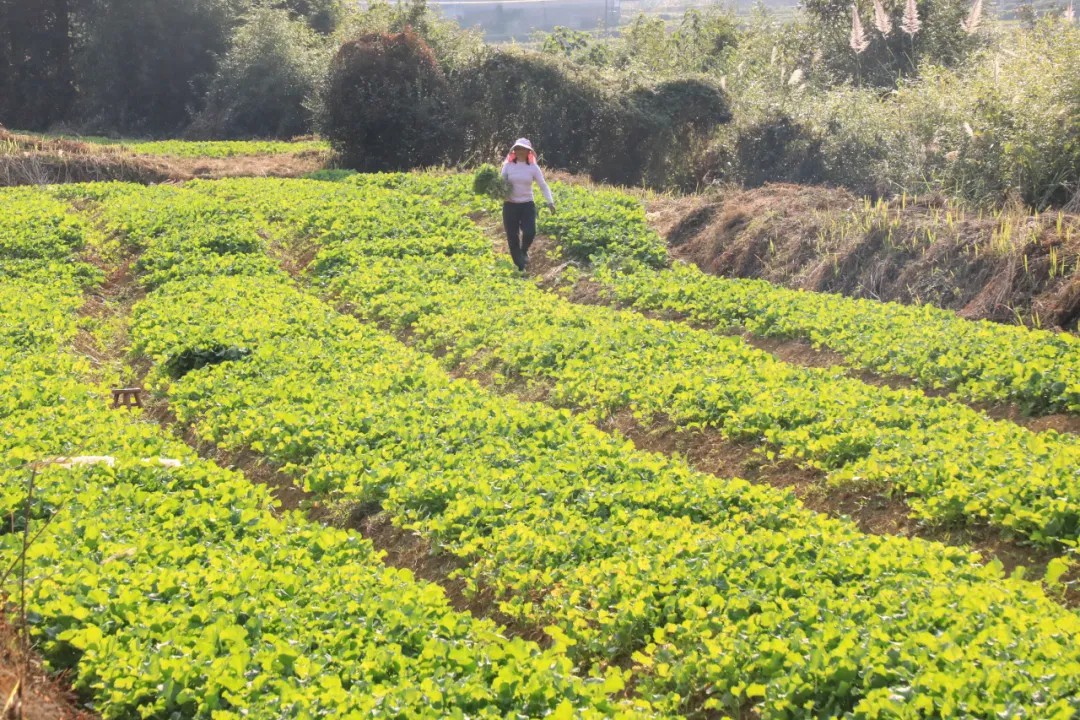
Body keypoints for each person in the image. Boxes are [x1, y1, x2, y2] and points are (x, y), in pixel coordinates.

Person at [501, 138, 555, 272]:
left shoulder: (533, 168)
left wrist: (550, 202)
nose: (520, 151)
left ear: (528, 151)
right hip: (510, 205)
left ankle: (524, 250)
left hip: (527, 204)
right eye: (518, 149)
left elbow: (543, 185)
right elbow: (501, 183)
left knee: (530, 232)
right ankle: (520, 266)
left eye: (523, 149)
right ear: (514, 151)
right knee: (512, 237)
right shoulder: (508, 166)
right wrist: (499, 192)